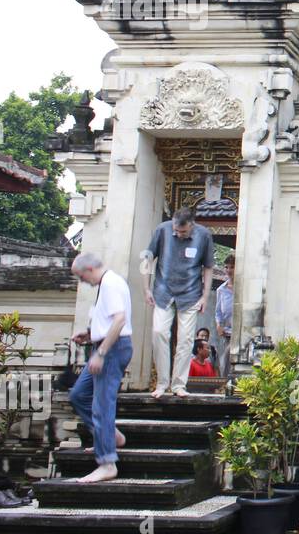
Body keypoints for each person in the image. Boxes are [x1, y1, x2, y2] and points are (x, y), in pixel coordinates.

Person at [68, 253, 133, 484]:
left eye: (80, 276)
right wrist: (90, 335)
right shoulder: (106, 284)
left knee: (102, 405)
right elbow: (109, 320)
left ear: (88, 269)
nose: (82, 281)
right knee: (79, 395)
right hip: (104, 345)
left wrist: (102, 353)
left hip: (112, 349)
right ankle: (111, 436)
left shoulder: (111, 284)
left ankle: (106, 463)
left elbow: (119, 320)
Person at [143, 206, 215, 399]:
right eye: (176, 229)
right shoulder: (162, 230)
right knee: (159, 332)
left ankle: (178, 384)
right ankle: (161, 382)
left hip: (191, 293)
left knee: (186, 339)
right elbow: (147, 259)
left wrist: (205, 297)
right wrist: (146, 288)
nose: (178, 233)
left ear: (192, 226)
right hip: (163, 291)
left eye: (182, 231)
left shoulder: (204, 236)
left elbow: (208, 267)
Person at [214, 254, 235, 377]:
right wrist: (218, 325)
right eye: (226, 267)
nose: (229, 270)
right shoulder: (221, 290)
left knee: (229, 354)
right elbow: (218, 312)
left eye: (232, 267)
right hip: (227, 330)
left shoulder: (244, 288)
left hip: (240, 330)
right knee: (227, 357)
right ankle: (224, 382)